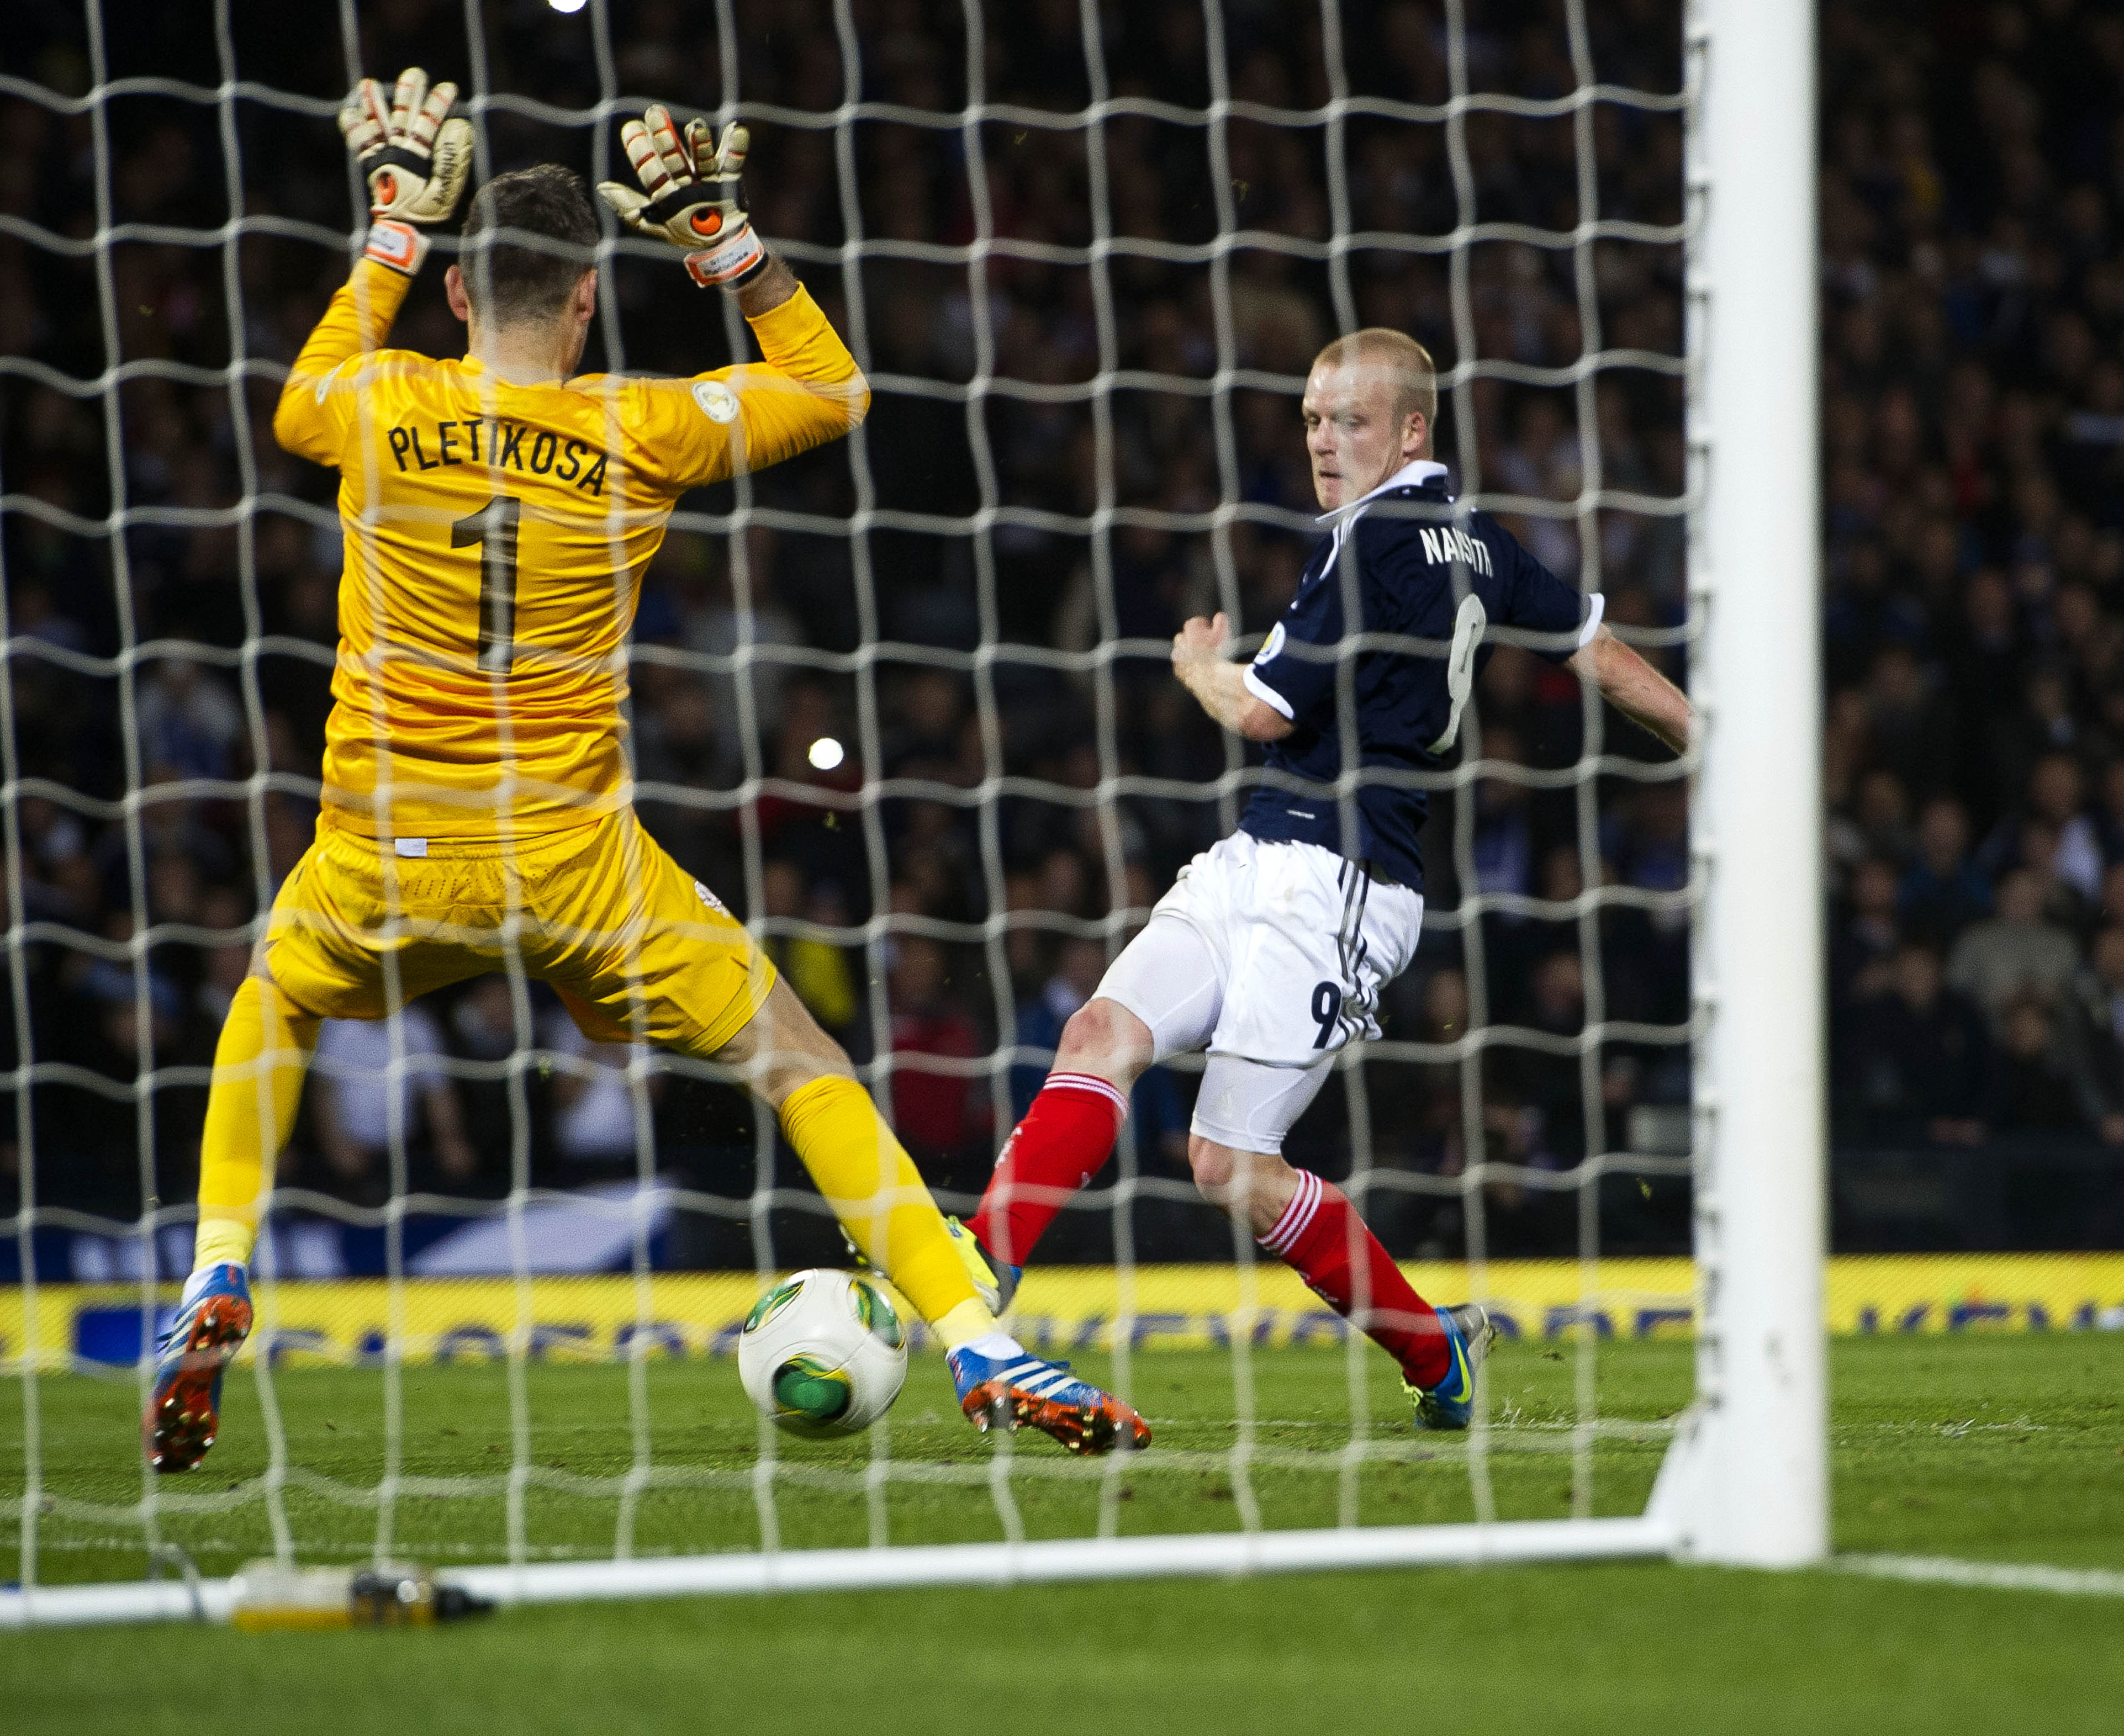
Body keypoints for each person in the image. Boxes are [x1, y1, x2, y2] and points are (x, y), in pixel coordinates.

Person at [145, 72, 1144, 1473]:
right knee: (796, 1060)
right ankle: (980, 1341)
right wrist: (722, 242)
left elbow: (298, 399)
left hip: (387, 848)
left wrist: (389, 226)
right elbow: (834, 390)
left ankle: (217, 1268)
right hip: (574, 864)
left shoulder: (371, 404)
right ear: (587, 303)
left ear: (454, 298)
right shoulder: (637, 428)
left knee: (276, 998)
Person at [968, 329, 1693, 1430]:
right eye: (1311, 419)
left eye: (1347, 421)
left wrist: (1198, 669)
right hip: (1259, 851)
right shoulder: (1477, 543)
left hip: (1345, 881)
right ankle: (974, 1288)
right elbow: (1598, 653)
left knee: (1226, 1165)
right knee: (1097, 1036)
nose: (1320, 440)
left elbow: (1262, 711)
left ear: (1410, 429)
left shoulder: (1372, 539)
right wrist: (1711, 740)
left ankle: (1433, 1349)